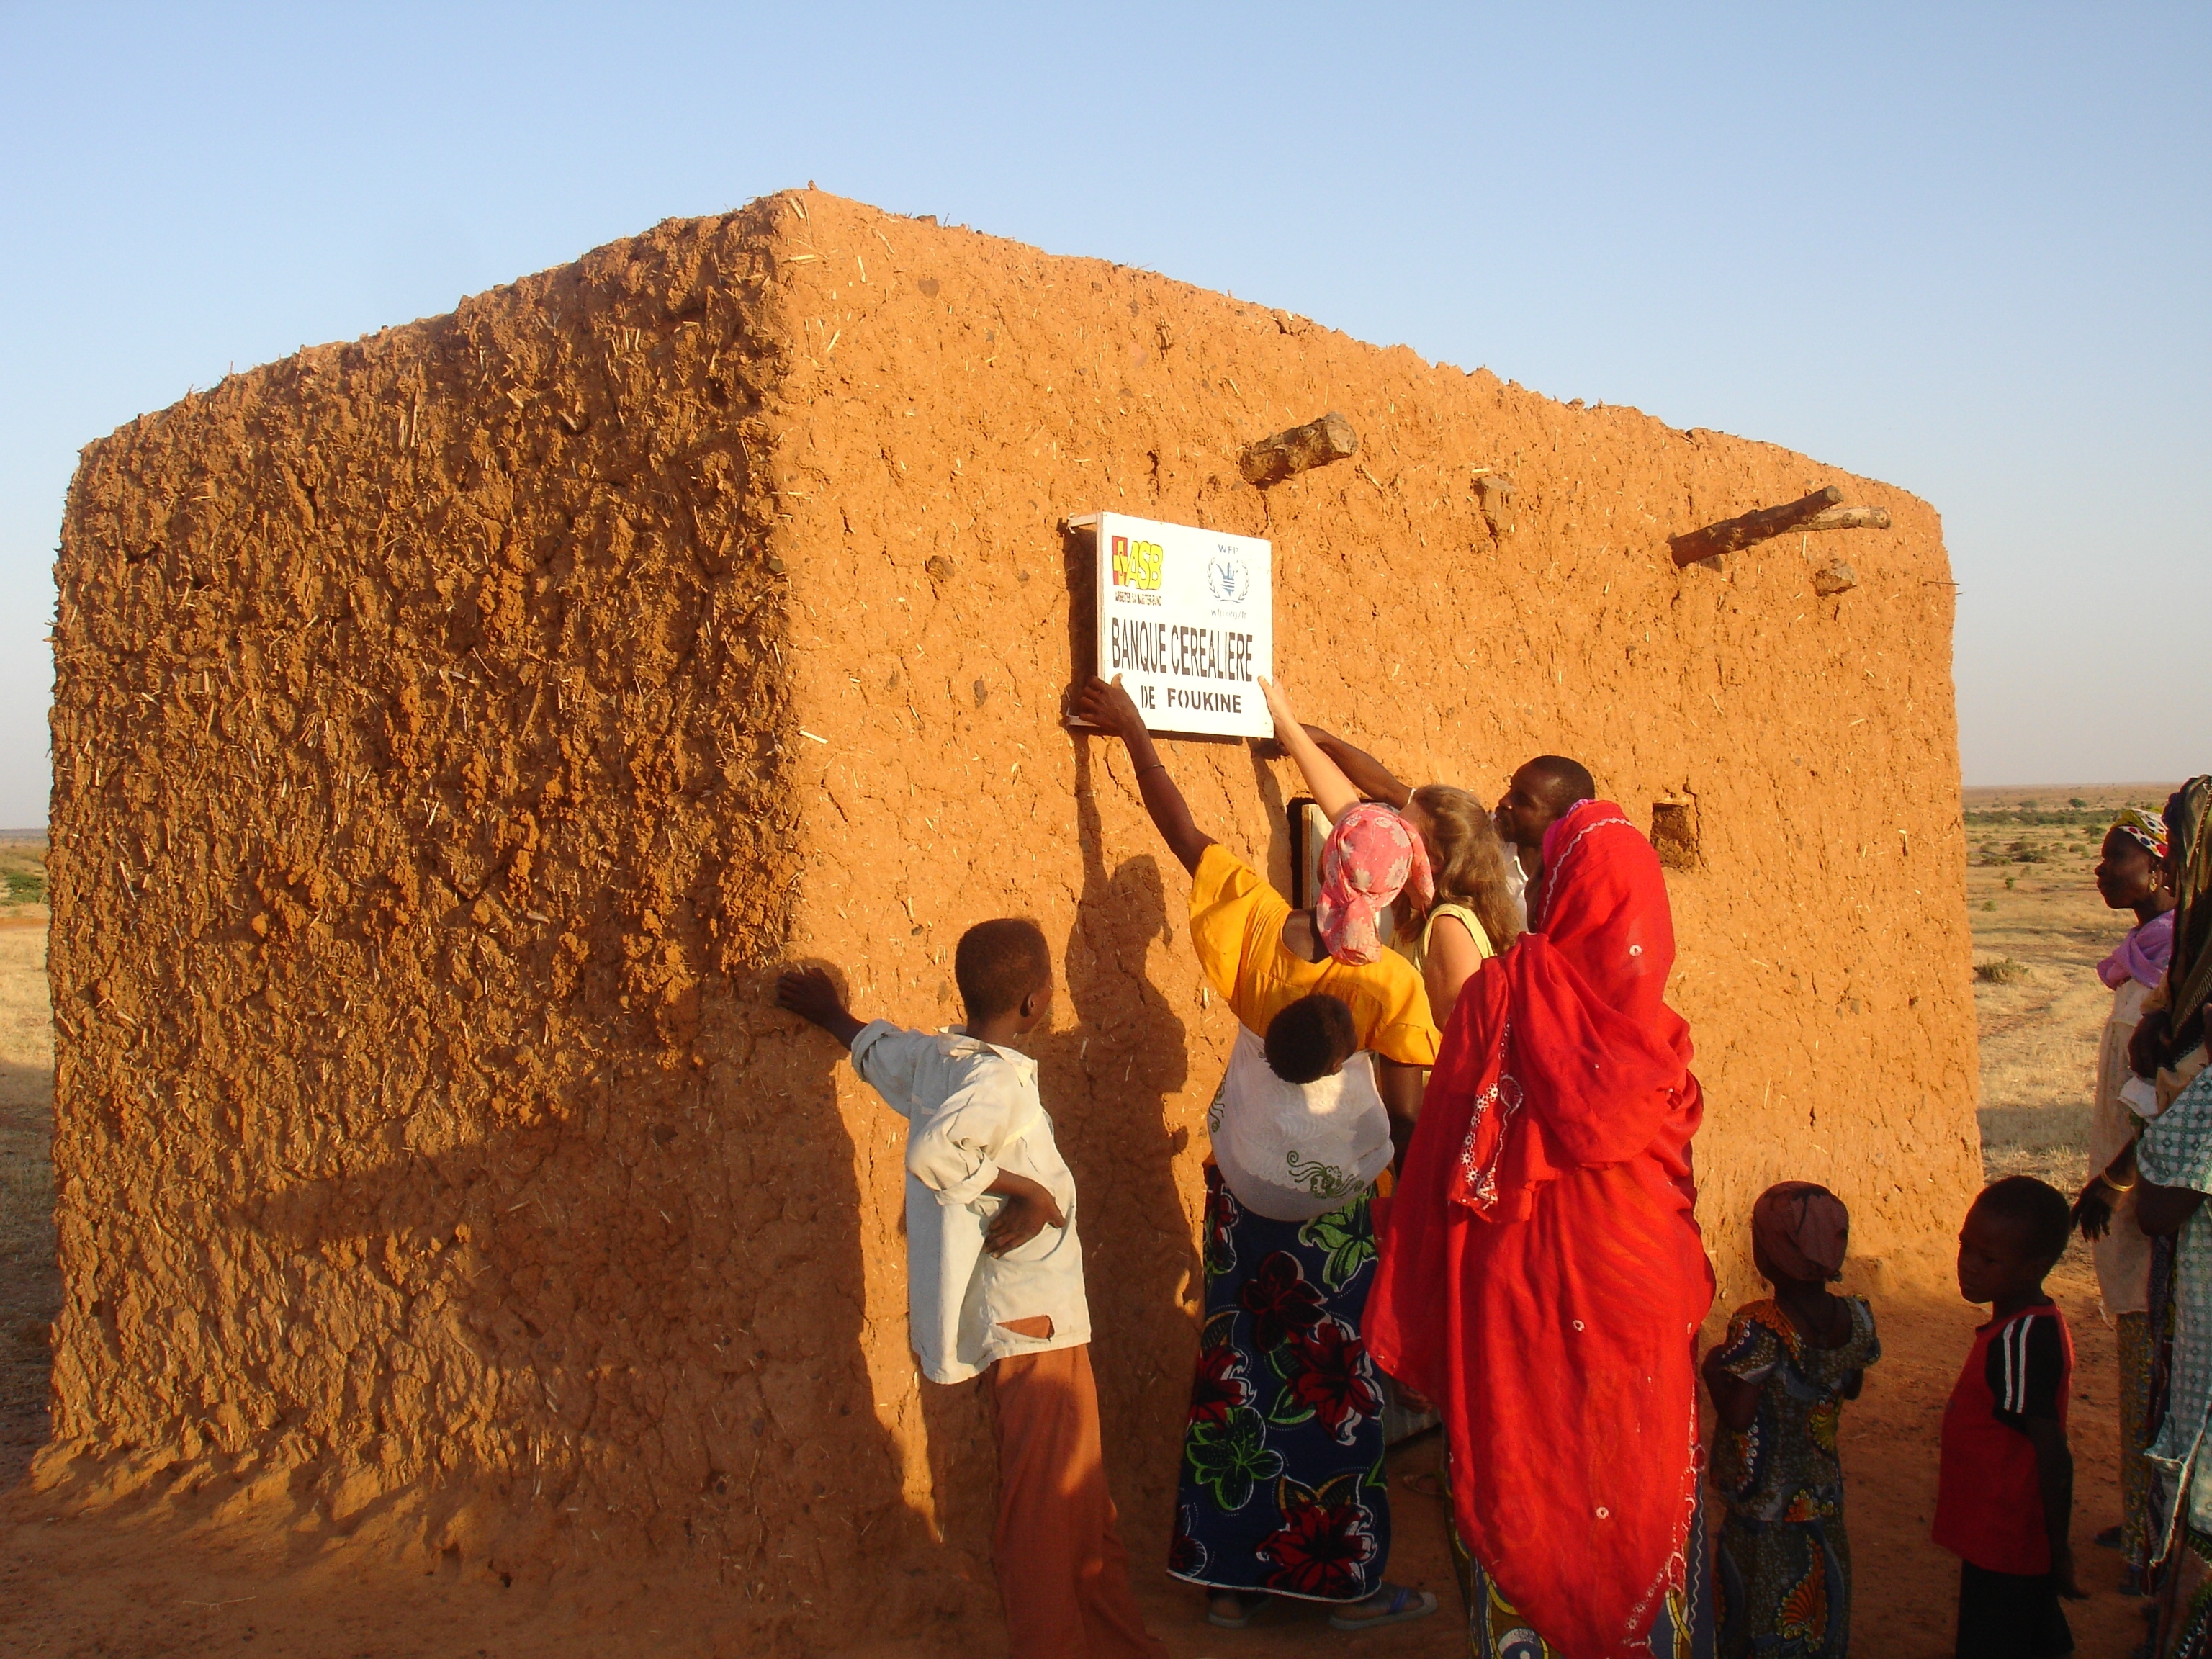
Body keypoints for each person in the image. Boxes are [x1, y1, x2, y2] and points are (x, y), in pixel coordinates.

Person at [1074, 673, 1440, 1634]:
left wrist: (1130, 730)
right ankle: (1340, 1585)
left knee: (1235, 1373)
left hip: (1243, 1203)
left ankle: (1227, 1581)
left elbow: (1181, 828)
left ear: (1324, 872)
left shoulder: (1257, 932)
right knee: (1334, 1393)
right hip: (1339, 1230)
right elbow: (1406, 1117)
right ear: (1392, 894)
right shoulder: (1396, 988)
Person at [1366, 794, 1715, 1657]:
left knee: (1533, 1484)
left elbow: (1438, 1159)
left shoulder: (1504, 1000)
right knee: (1637, 1496)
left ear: (1558, 894)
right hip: (1640, 1322)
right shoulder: (1662, 1048)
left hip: (1519, 1322)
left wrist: (1415, 1308)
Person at [775, 920, 1167, 1659]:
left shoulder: (946, 1060)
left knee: (1084, 1509)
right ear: (1037, 1002)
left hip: (1046, 1326)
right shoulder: (994, 1081)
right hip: (1033, 1327)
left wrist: (832, 1015)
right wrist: (1030, 1193)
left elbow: (882, 1053)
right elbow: (935, 1152)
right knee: (1046, 1519)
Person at [1259, 680, 1521, 1023]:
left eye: (1401, 831)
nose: (1383, 835)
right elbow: (1347, 810)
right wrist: (1287, 725)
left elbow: (1458, 1037)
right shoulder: (1421, 911)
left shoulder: (1449, 926)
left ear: (1435, 861)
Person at [1703, 1183, 1879, 1659]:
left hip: (1765, 1505)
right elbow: (1852, 1385)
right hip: (1823, 1499)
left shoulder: (1758, 1325)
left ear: (1772, 1255)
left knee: (1759, 1617)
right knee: (1817, 1609)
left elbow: (1740, 1416)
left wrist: (1714, 1374)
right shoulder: (1858, 1318)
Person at [2070, 806, 2178, 1586]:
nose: (2103, 872)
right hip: (2128, 1190)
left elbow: (2173, 1099)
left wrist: (2117, 1181)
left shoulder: (2184, 968)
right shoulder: (2147, 960)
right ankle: (2145, 1517)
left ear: (2163, 872)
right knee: (2138, 1351)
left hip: (2152, 1195)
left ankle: (2157, 1537)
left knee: (2156, 1353)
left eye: (2118, 860)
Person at [1933, 1176, 2082, 1659]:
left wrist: (2058, 1550)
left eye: (1989, 1259)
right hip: (1998, 1536)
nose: (1969, 1266)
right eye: (1965, 1248)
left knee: (1996, 1636)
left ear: (2034, 1268)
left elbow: (2052, 1453)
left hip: (2007, 1538)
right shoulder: (2016, 1328)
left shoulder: (2021, 1341)